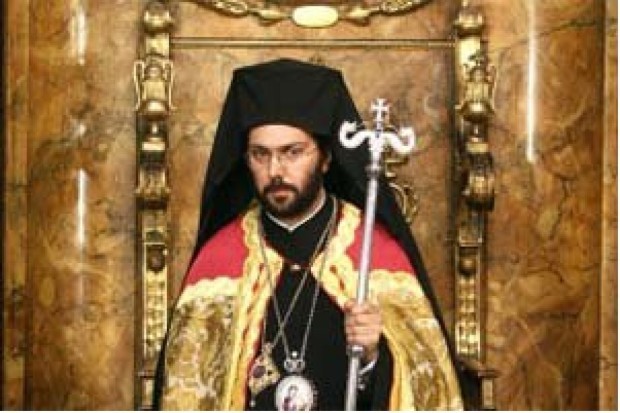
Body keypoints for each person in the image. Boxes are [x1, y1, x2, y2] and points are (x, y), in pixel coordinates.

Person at [153, 58, 467, 410]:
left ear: (326, 158)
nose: (275, 171)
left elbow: (424, 387)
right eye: (260, 154)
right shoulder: (220, 259)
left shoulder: (373, 252)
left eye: (293, 152)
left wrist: (374, 357)